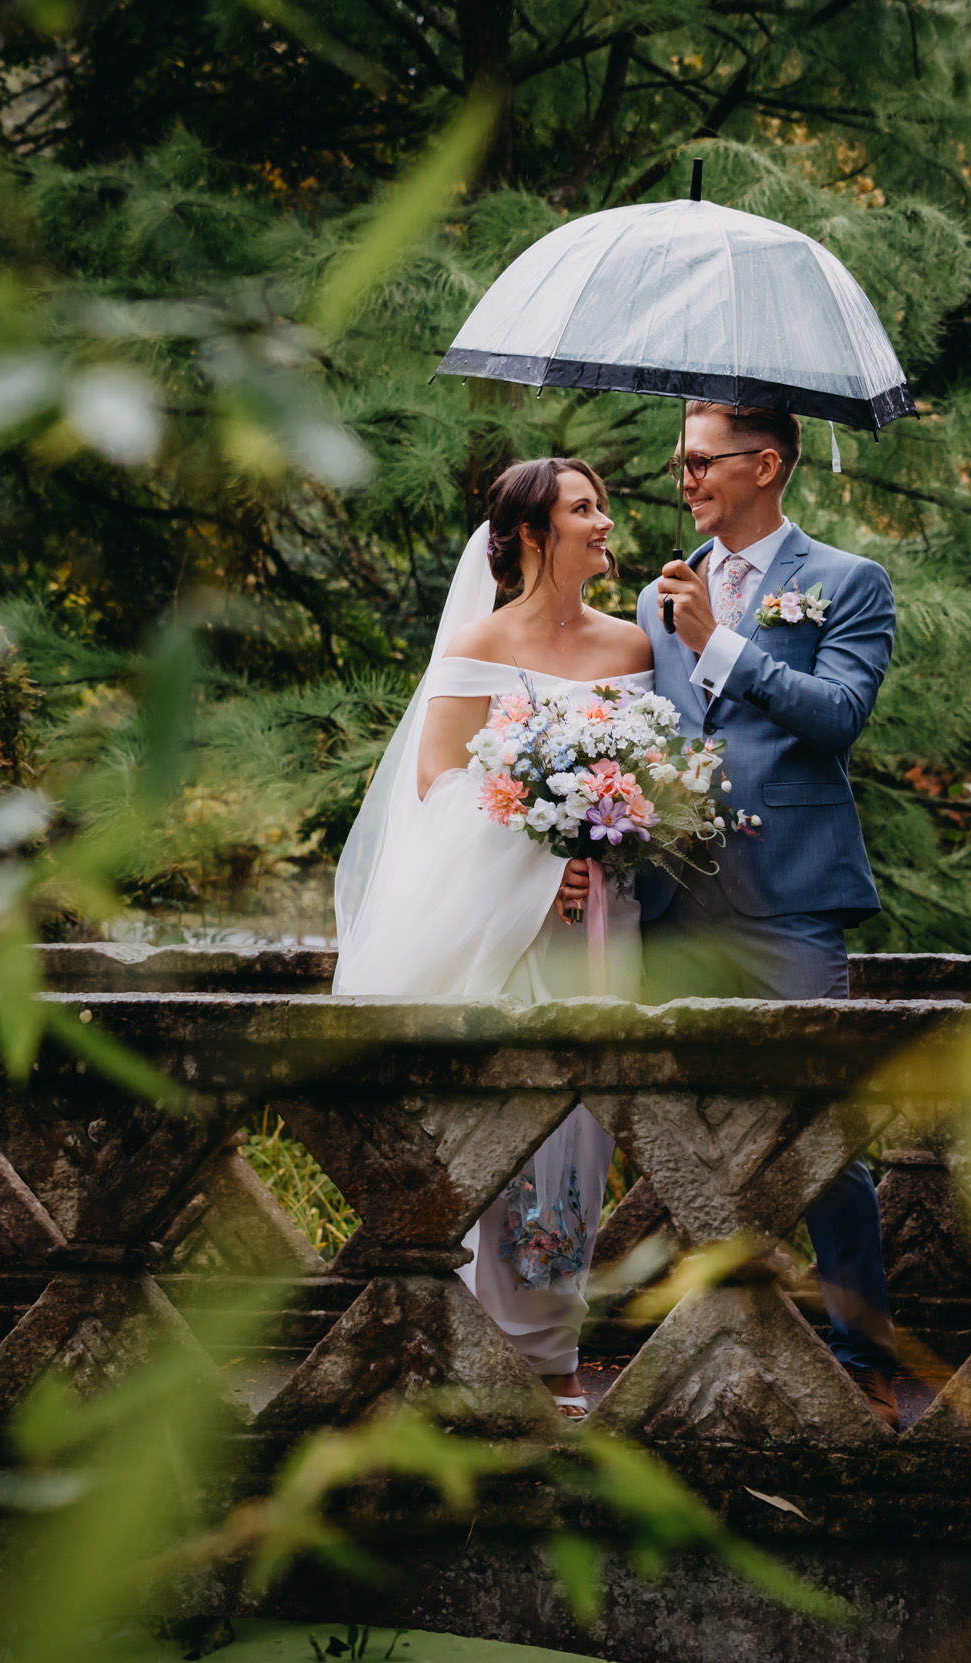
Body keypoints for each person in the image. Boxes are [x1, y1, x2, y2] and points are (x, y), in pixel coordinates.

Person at [331, 456, 648, 1419]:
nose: (603, 523)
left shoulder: (635, 648)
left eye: (599, 506)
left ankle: (551, 1351)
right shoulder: (474, 644)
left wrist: (610, 833)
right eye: (583, 509)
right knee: (499, 1125)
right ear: (528, 536)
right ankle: (473, 1341)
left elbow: (654, 776)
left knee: (579, 1133)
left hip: (599, 926)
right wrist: (540, 853)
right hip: (504, 930)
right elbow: (439, 786)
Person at [635, 401, 904, 1429]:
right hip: (673, 897)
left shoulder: (847, 582)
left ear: (766, 464)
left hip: (790, 893)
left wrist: (720, 645)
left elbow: (838, 719)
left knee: (823, 1131)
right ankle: (709, 1344)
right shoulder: (665, 584)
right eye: (681, 463)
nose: (685, 479)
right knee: (685, 1130)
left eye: (700, 461)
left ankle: (863, 1361)